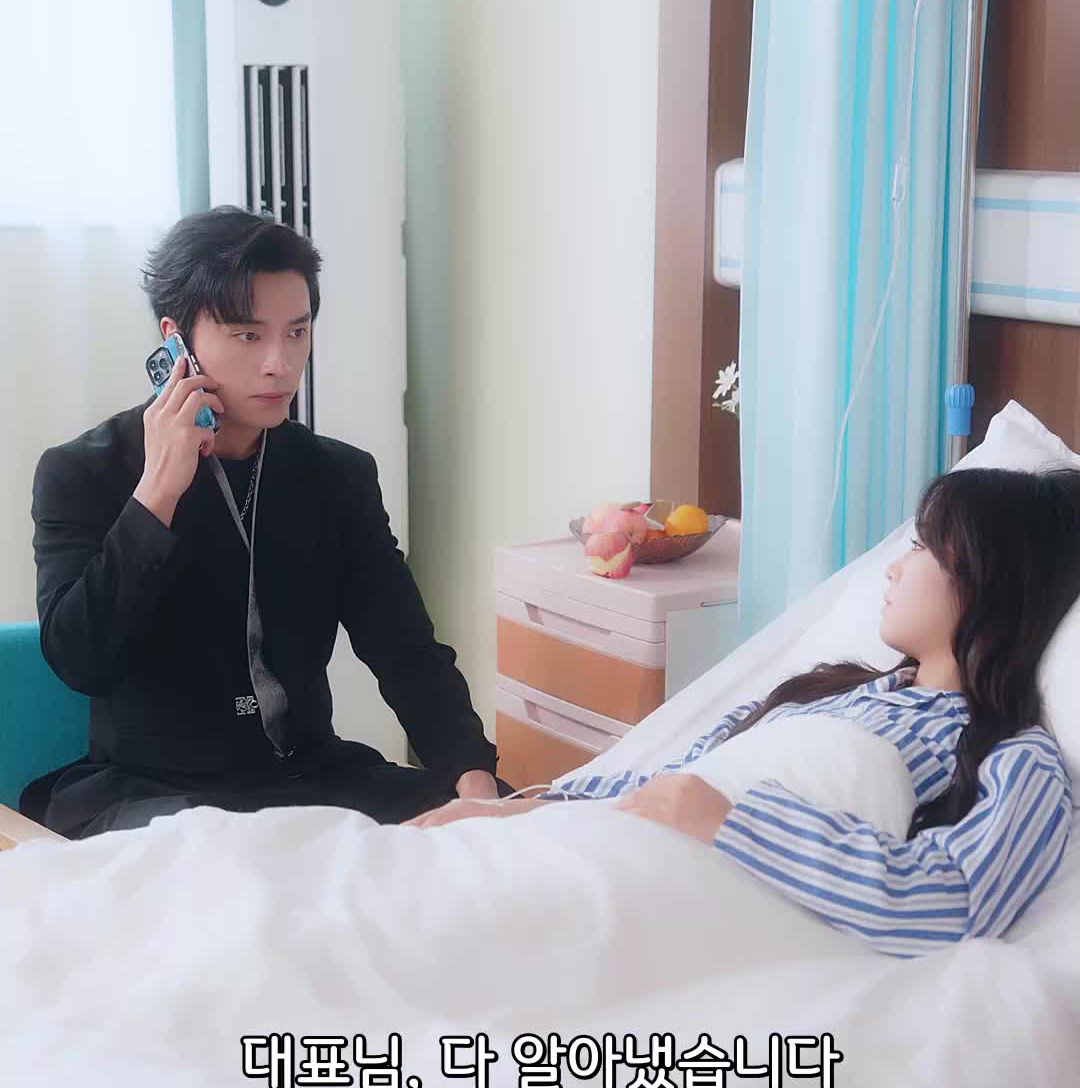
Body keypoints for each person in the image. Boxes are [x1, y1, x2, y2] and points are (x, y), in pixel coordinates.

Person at [412, 466, 1080, 959]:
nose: (894, 568)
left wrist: (735, 822)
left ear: (994, 581)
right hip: (610, 841)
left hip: (679, 894)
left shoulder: (1016, 758)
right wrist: (518, 810)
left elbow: (953, 901)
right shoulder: (830, 690)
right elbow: (665, 783)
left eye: (925, 547)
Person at [27, 207, 502, 838]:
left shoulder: (336, 474)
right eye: (248, 336)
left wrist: (476, 784)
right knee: (241, 862)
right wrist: (156, 494)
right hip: (156, 794)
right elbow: (82, 660)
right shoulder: (83, 471)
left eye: (297, 332)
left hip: (311, 779)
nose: (281, 363)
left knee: (505, 832)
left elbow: (407, 650)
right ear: (176, 339)